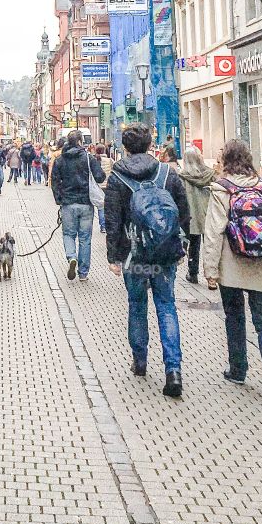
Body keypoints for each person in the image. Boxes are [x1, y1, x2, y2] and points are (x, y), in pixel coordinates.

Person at [104, 123, 190, 398]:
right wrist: (180, 243)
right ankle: (173, 370)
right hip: (164, 253)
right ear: (151, 144)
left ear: (125, 147)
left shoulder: (118, 177)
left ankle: (140, 361)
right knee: (166, 306)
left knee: (137, 305)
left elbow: (113, 221)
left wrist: (113, 257)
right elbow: (183, 212)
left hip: (135, 255)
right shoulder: (168, 173)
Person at [202, 139, 262, 404]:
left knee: (235, 317)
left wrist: (210, 270)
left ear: (225, 162)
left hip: (233, 265)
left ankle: (238, 370)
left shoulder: (222, 191)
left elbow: (214, 232)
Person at [51, 130, 106, 281]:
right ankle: (83, 273)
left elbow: (55, 181)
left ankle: (71, 257)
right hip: (86, 203)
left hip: (68, 203)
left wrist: (59, 199)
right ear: (81, 142)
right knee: (85, 238)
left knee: (68, 234)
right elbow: (101, 177)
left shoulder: (60, 159)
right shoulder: (88, 158)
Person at [178, 147, 215, 285]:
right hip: (209, 215)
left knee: (194, 245)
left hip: (191, 216)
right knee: (211, 246)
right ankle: (212, 278)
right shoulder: (210, 175)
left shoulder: (182, 177)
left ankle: (193, 273)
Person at [94, 144, 112, 232]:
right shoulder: (109, 160)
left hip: (98, 186)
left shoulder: (94, 160)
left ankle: (103, 226)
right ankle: (108, 224)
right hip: (108, 186)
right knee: (108, 206)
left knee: (101, 206)